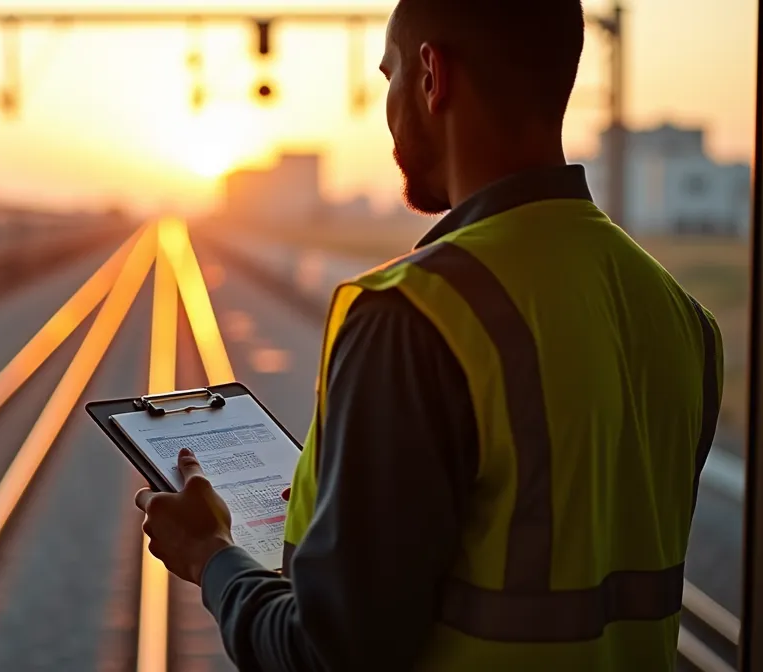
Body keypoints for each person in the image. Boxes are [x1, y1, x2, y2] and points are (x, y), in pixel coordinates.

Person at [132, 0, 723, 669]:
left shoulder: (409, 313)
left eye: (389, 77)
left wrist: (212, 558)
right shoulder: (679, 316)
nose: (388, 107)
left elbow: (327, 655)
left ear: (431, 74)